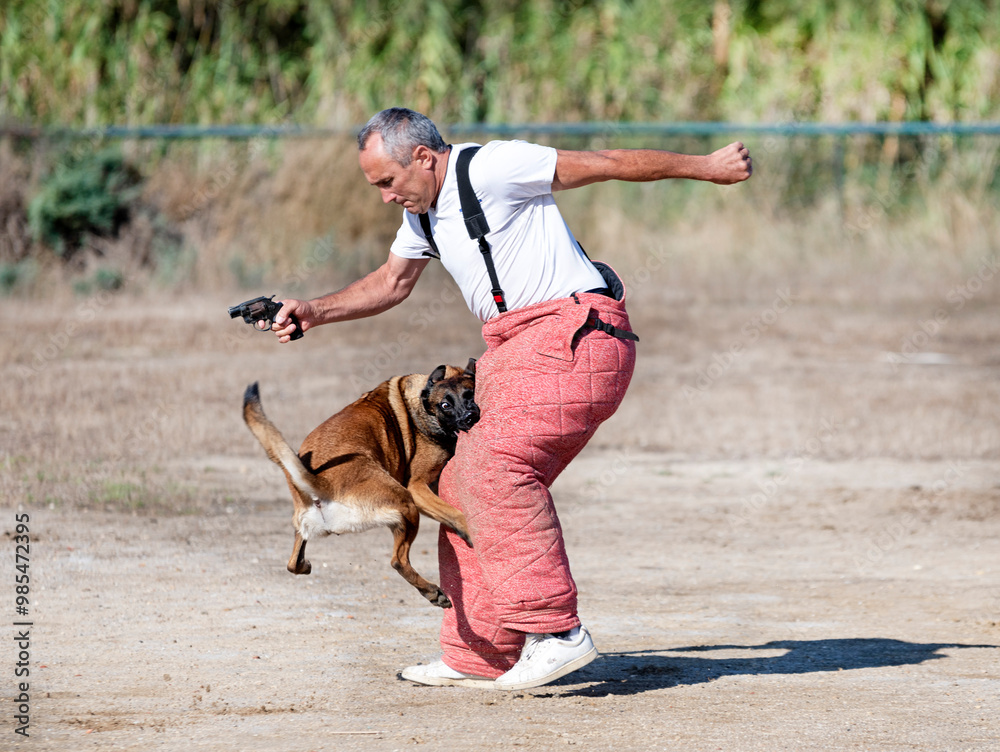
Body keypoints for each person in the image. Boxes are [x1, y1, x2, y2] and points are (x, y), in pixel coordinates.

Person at [271, 107, 752, 690]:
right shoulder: (421, 217)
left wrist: (707, 166)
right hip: (514, 351)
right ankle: (479, 653)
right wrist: (313, 312)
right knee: (453, 486)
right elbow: (391, 283)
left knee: (497, 467)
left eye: (386, 181)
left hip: (577, 333)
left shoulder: (493, 168)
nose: (383, 197)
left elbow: (606, 163)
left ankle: (557, 634)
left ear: (423, 157)